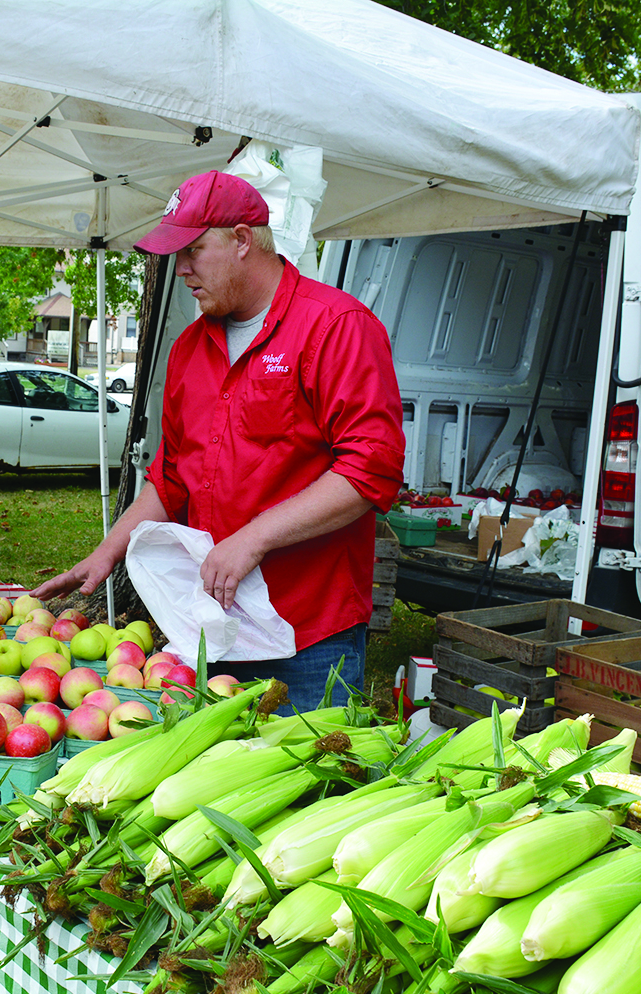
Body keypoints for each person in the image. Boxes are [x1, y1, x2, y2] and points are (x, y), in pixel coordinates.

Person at [33, 170, 404, 709]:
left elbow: (371, 470)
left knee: (310, 788)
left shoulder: (336, 326)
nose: (180, 269)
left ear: (242, 239)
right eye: (174, 254)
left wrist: (252, 539)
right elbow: (172, 477)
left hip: (309, 632)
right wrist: (105, 554)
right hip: (214, 624)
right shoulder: (189, 348)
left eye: (193, 250)